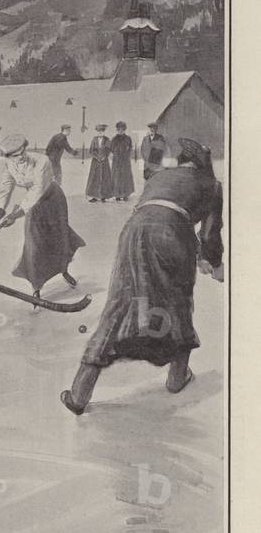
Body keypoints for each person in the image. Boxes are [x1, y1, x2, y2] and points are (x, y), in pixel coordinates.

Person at [61, 138, 223, 415]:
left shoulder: (159, 176)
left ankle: (79, 395)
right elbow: (207, 233)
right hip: (172, 235)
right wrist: (213, 261)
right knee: (177, 300)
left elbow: (158, 211)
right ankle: (176, 378)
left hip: (133, 233)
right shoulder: (212, 185)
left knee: (120, 303)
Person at [0, 134, 85, 297]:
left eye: (22, 152)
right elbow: (5, 189)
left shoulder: (42, 161)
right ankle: (36, 287)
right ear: (8, 157)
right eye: (15, 156)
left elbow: (37, 190)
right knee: (33, 244)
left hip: (53, 201)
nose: (21, 157)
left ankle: (64, 270)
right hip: (32, 205)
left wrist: (15, 215)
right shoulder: (9, 166)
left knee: (59, 238)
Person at [85, 124, 113, 202]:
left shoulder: (107, 139)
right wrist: (96, 158)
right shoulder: (94, 139)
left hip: (104, 162)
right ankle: (94, 196)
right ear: (97, 132)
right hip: (95, 162)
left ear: (104, 132)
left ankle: (103, 196)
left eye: (102, 131)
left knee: (105, 177)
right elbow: (91, 151)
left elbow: (108, 150)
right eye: (99, 131)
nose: (100, 133)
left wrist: (104, 157)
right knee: (94, 178)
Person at [110, 121, 135, 201]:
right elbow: (112, 148)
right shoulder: (114, 139)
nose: (120, 131)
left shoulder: (128, 138)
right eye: (119, 129)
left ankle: (125, 195)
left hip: (125, 161)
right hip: (117, 161)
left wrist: (126, 155)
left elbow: (130, 148)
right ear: (117, 130)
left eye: (122, 129)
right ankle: (117, 195)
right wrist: (116, 154)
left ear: (124, 129)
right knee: (117, 177)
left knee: (125, 177)